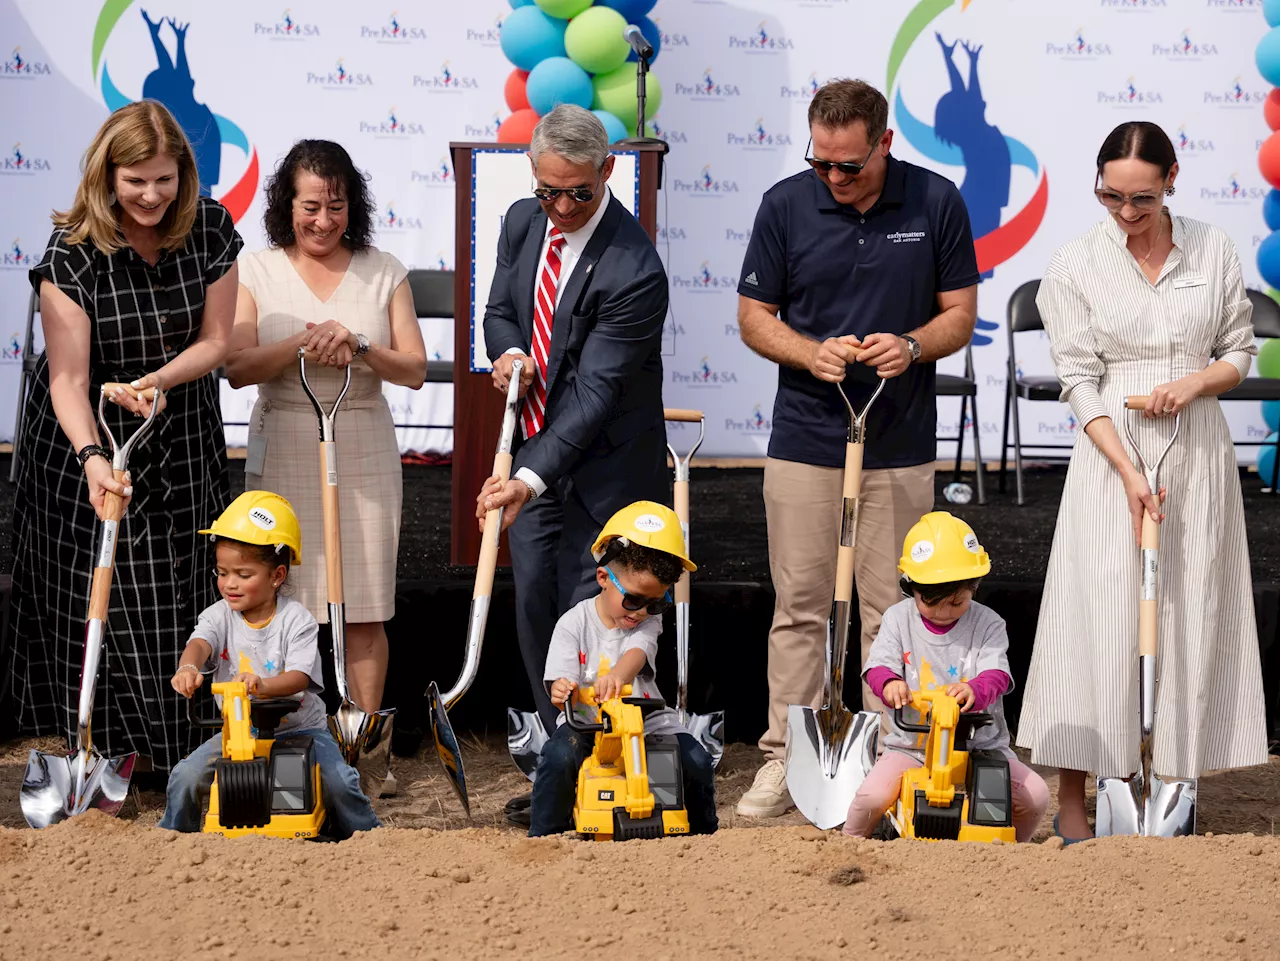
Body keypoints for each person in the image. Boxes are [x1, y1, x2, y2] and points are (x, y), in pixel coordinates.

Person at [1015, 121, 1269, 841]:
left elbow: (1238, 353)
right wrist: (1126, 468)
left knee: (1188, 611)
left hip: (1196, 453)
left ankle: (1172, 783)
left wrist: (1190, 384)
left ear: (1171, 180)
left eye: (1142, 198)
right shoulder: (1076, 262)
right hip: (1109, 457)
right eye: (1111, 196)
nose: (1126, 213)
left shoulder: (1212, 248)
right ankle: (1075, 799)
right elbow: (1077, 378)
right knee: (1093, 620)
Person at [734, 78, 979, 817]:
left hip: (899, 441)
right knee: (800, 604)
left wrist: (911, 343)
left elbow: (960, 315)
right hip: (807, 437)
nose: (834, 178)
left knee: (891, 612)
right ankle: (784, 754)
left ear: (885, 144)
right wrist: (810, 353)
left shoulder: (936, 202)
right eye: (822, 164)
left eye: (851, 165)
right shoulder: (784, 204)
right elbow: (753, 315)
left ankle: (889, 757)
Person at [9, 100, 241, 778]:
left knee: (178, 579)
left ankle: (179, 746)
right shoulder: (72, 253)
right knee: (100, 584)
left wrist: (160, 380)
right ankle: (105, 750)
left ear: (183, 175)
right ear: (108, 175)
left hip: (179, 426)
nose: (150, 195)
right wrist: (90, 457)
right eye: (135, 180)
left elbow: (219, 341)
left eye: (163, 180)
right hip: (88, 427)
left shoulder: (211, 228)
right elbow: (67, 378)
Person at [473, 105, 670, 816]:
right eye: (546, 191)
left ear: (607, 171)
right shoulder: (523, 224)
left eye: (576, 194)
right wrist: (507, 352)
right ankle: (562, 764)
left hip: (606, 474)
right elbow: (499, 310)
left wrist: (525, 477)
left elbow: (593, 398)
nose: (559, 207)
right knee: (535, 612)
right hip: (534, 455)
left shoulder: (635, 267)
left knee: (591, 614)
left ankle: (607, 766)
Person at [225, 140, 426, 717]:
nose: (323, 220)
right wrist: (301, 342)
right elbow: (237, 367)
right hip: (284, 438)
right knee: (273, 603)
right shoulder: (256, 269)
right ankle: (281, 738)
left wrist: (360, 345)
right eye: (310, 206)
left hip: (363, 440)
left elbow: (413, 369)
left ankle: (364, 747)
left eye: (336, 206)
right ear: (286, 206)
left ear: (352, 207)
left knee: (363, 605)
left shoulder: (383, 270)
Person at [160, 491, 380, 839]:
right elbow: (200, 643)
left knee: (339, 781)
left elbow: (298, 677)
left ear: (277, 575)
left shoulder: (297, 620)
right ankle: (175, 836)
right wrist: (188, 667)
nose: (229, 583)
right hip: (240, 734)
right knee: (186, 775)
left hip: (301, 730)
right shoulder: (220, 616)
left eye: (243, 574)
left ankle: (369, 836)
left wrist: (261, 685)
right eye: (222, 572)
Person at [842, 512, 1049, 841]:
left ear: (974, 587)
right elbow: (877, 666)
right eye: (931, 602)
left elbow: (997, 675)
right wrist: (890, 683)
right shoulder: (897, 619)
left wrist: (975, 689)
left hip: (980, 748)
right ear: (911, 586)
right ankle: (851, 843)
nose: (942, 612)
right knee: (872, 797)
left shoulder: (988, 624)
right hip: (912, 747)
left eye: (956, 602)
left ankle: (1013, 853)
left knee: (1034, 796)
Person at [529, 502, 718, 837]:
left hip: (647, 722)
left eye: (656, 603)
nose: (641, 612)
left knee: (697, 761)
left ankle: (704, 833)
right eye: (632, 600)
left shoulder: (647, 624)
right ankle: (546, 833)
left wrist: (618, 676)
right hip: (587, 724)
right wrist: (562, 689)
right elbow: (562, 682)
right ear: (603, 577)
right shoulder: (573, 623)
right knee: (558, 757)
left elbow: (636, 653)